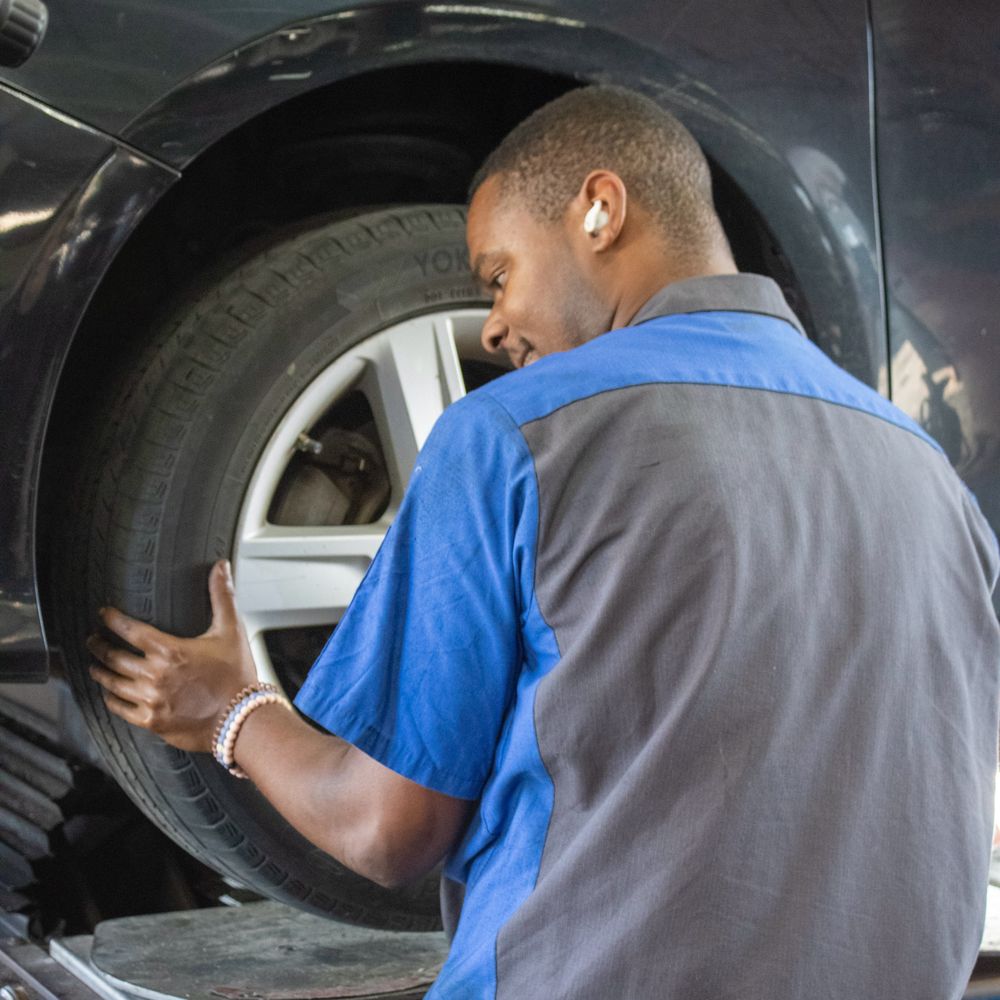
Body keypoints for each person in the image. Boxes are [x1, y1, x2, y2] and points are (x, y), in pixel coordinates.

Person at [87, 86, 1000, 999]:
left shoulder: (520, 433)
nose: (492, 324)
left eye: (498, 274)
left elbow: (384, 832)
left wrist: (230, 714)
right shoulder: (933, 480)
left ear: (599, 210)